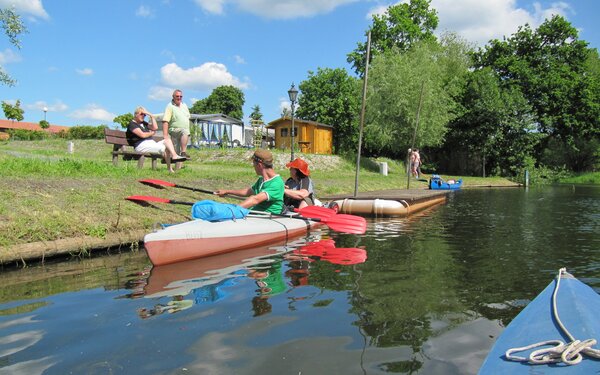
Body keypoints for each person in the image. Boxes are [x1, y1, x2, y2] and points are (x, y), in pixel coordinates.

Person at [215, 149, 284, 214]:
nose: (253, 167)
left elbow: (255, 199)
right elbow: (248, 192)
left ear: (259, 165)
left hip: (266, 220)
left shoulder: (276, 183)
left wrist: (232, 211)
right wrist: (227, 191)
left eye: (254, 164)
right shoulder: (261, 180)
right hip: (255, 216)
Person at [126, 106, 185, 173]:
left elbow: (155, 127)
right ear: (136, 114)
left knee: (167, 140)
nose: (143, 116)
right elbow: (142, 135)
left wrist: (151, 116)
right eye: (141, 114)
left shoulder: (143, 123)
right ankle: (170, 169)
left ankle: (174, 156)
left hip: (151, 143)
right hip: (141, 145)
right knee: (166, 148)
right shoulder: (132, 124)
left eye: (145, 115)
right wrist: (151, 133)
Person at [162, 89, 191, 159]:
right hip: (174, 130)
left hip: (183, 131)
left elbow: (188, 116)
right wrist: (165, 136)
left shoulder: (184, 105)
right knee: (185, 132)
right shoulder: (170, 106)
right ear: (173, 96)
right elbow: (165, 121)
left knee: (177, 152)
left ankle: (178, 168)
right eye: (177, 96)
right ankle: (183, 152)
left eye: (181, 96)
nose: (179, 98)